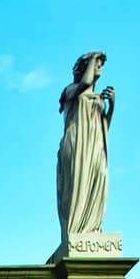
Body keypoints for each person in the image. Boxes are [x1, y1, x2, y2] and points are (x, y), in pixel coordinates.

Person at [56, 50, 115, 243]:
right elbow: (85, 83)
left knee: (97, 179)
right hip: (77, 144)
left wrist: (111, 106)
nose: (99, 67)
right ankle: (76, 232)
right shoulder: (71, 90)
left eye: (100, 64)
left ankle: (91, 228)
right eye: (96, 63)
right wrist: (92, 56)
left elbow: (103, 126)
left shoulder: (99, 98)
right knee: (77, 185)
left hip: (95, 145)